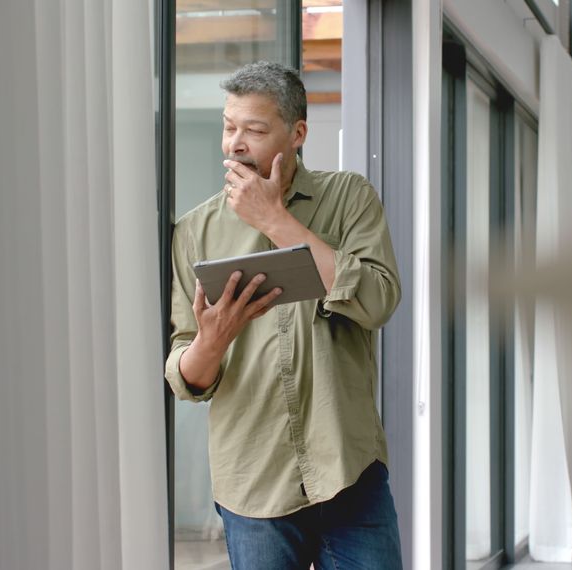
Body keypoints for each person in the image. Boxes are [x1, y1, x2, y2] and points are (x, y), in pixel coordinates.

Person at [164, 61, 404, 569]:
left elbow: (379, 300)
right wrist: (214, 338)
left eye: (254, 129)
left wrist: (275, 219)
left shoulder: (350, 199)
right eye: (229, 127)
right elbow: (187, 377)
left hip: (348, 471)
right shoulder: (194, 231)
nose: (235, 143)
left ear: (297, 134)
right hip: (252, 483)